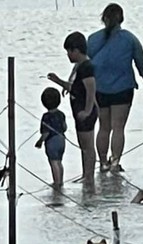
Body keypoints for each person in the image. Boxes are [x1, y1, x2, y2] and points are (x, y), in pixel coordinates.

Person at [88, 3, 143, 173]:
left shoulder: (93, 39)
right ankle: (115, 162)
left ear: (104, 18)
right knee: (118, 127)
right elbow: (141, 65)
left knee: (103, 127)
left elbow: (85, 63)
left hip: (99, 88)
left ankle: (102, 162)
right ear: (121, 18)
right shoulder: (130, 39)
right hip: (123, 88)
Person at [48, 32, 98, 190]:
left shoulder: (86, 67)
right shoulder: (78, 67)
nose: (68, 55)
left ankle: (89, 176)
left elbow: (91, 90)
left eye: (69, 51)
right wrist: (58, 81)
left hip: (85, 111)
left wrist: (87, 110)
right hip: (78, 109)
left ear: (77, 50)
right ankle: (86, 174)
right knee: (83, 145)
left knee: (88, 145)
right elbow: (74, 88)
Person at [35, 88, 67, 190]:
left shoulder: (46, 117)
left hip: (52, 141)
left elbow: (46, 132)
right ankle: (61, 180)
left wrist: (40, 141)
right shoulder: (61, 114)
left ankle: (56, 182)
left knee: (53, 162)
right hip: (62, 139)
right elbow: (65, 127)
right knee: (59, 161)